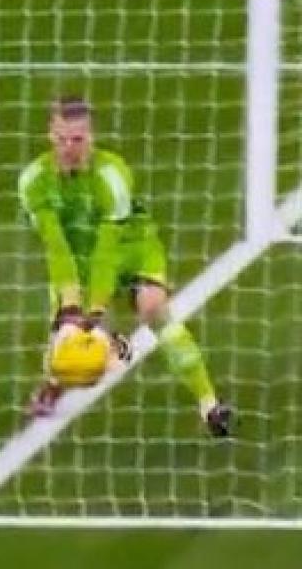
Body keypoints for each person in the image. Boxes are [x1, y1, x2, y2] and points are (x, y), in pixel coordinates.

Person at [20, 95, 234, 437]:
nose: (69, 148)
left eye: (77, 139)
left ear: (91, 137)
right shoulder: (34, 181)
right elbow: (56, 246)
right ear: (50, 134)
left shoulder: (112, 175)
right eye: (62, 139)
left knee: (154, 309)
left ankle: (208, 402)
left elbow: (108, 249)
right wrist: (72, 306)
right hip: (78, 259)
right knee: (69, 346)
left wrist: (97, 309)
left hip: (131, 248)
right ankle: (57, 383)